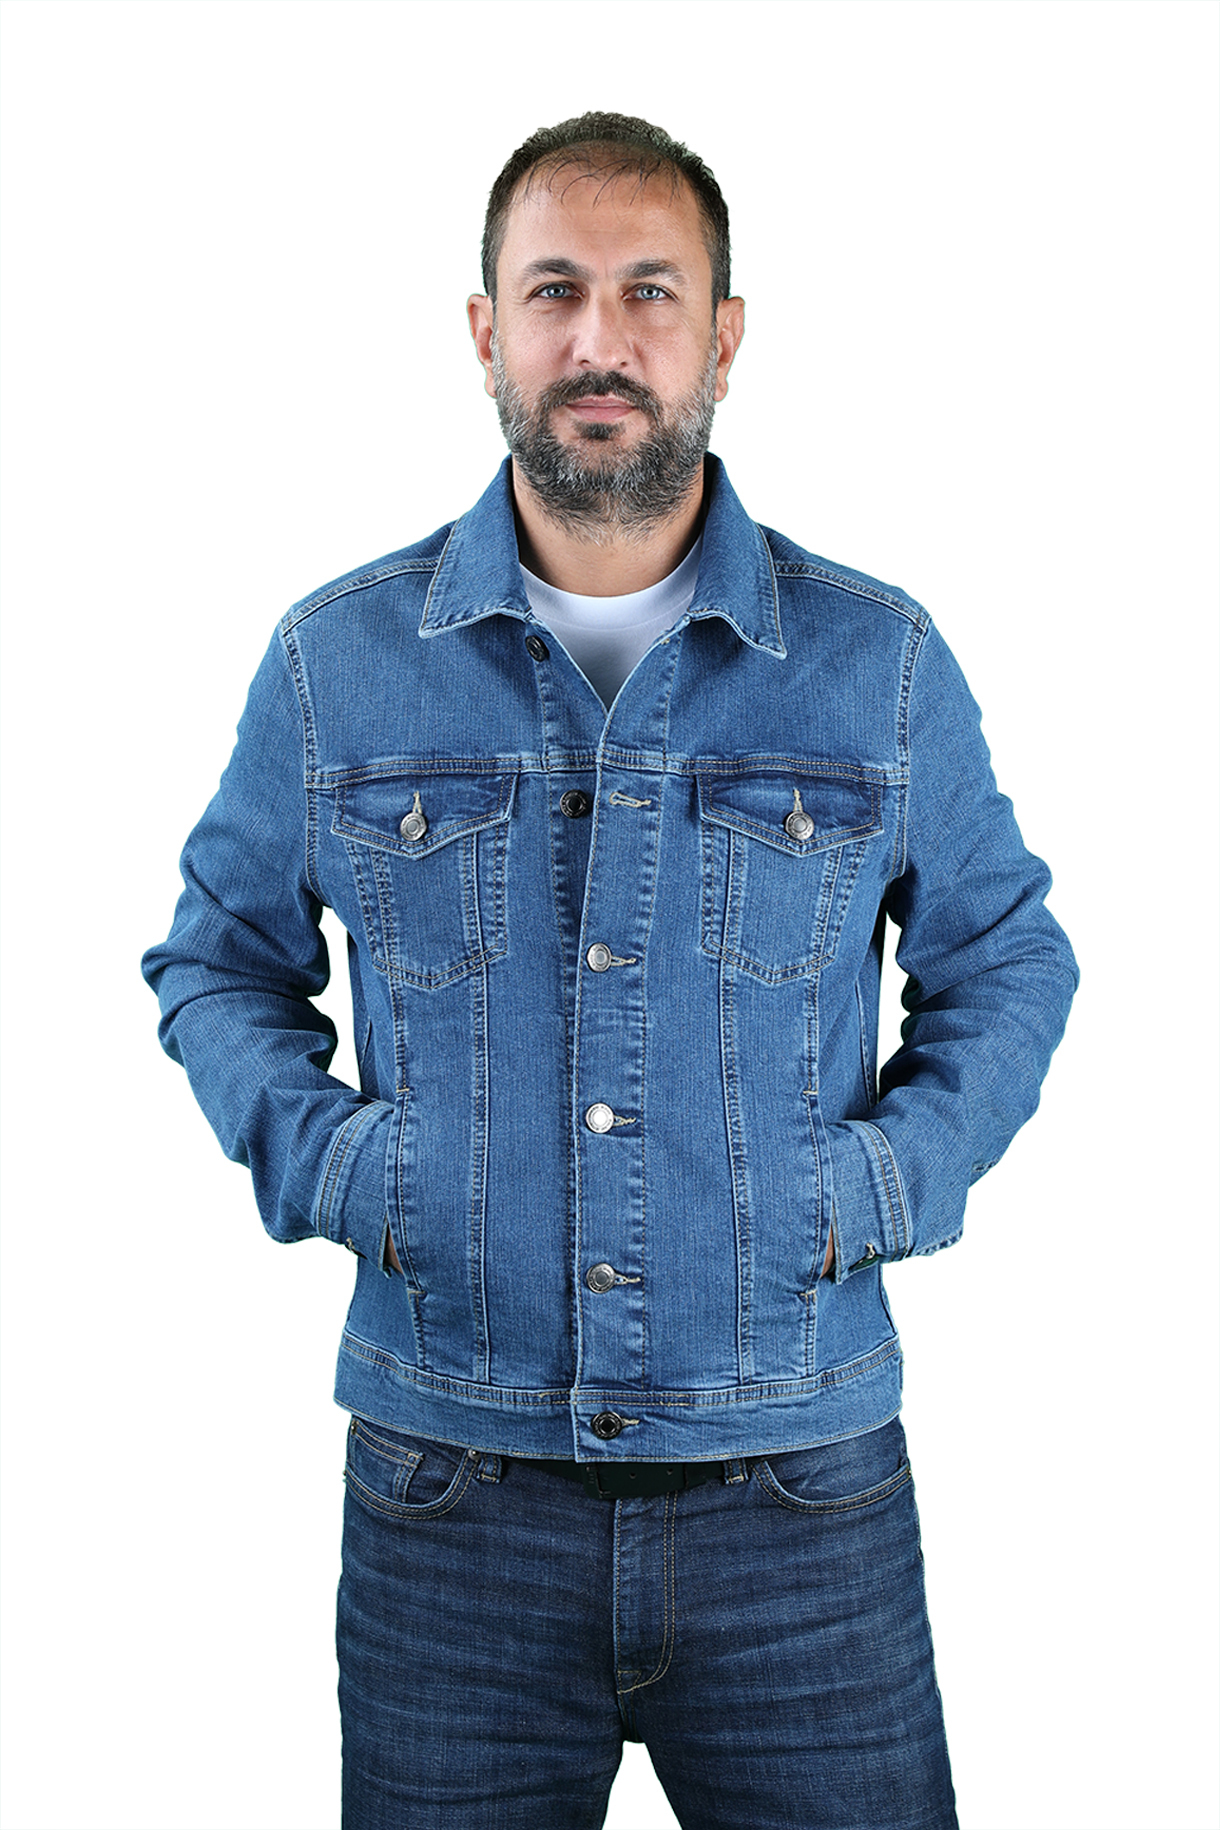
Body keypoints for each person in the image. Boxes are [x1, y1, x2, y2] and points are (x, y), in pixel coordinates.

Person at [143, 112, 1077, 1830]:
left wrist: (879, 1182)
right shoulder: (336, 663)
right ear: (485, 331)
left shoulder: (875, 662)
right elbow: (216, 963)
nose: (601, 338)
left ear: (725, 335)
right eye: (554, 290)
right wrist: (355, 1170)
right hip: (451, 1507)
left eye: (652, 292)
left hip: (802, 1494)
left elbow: (1007, 958)